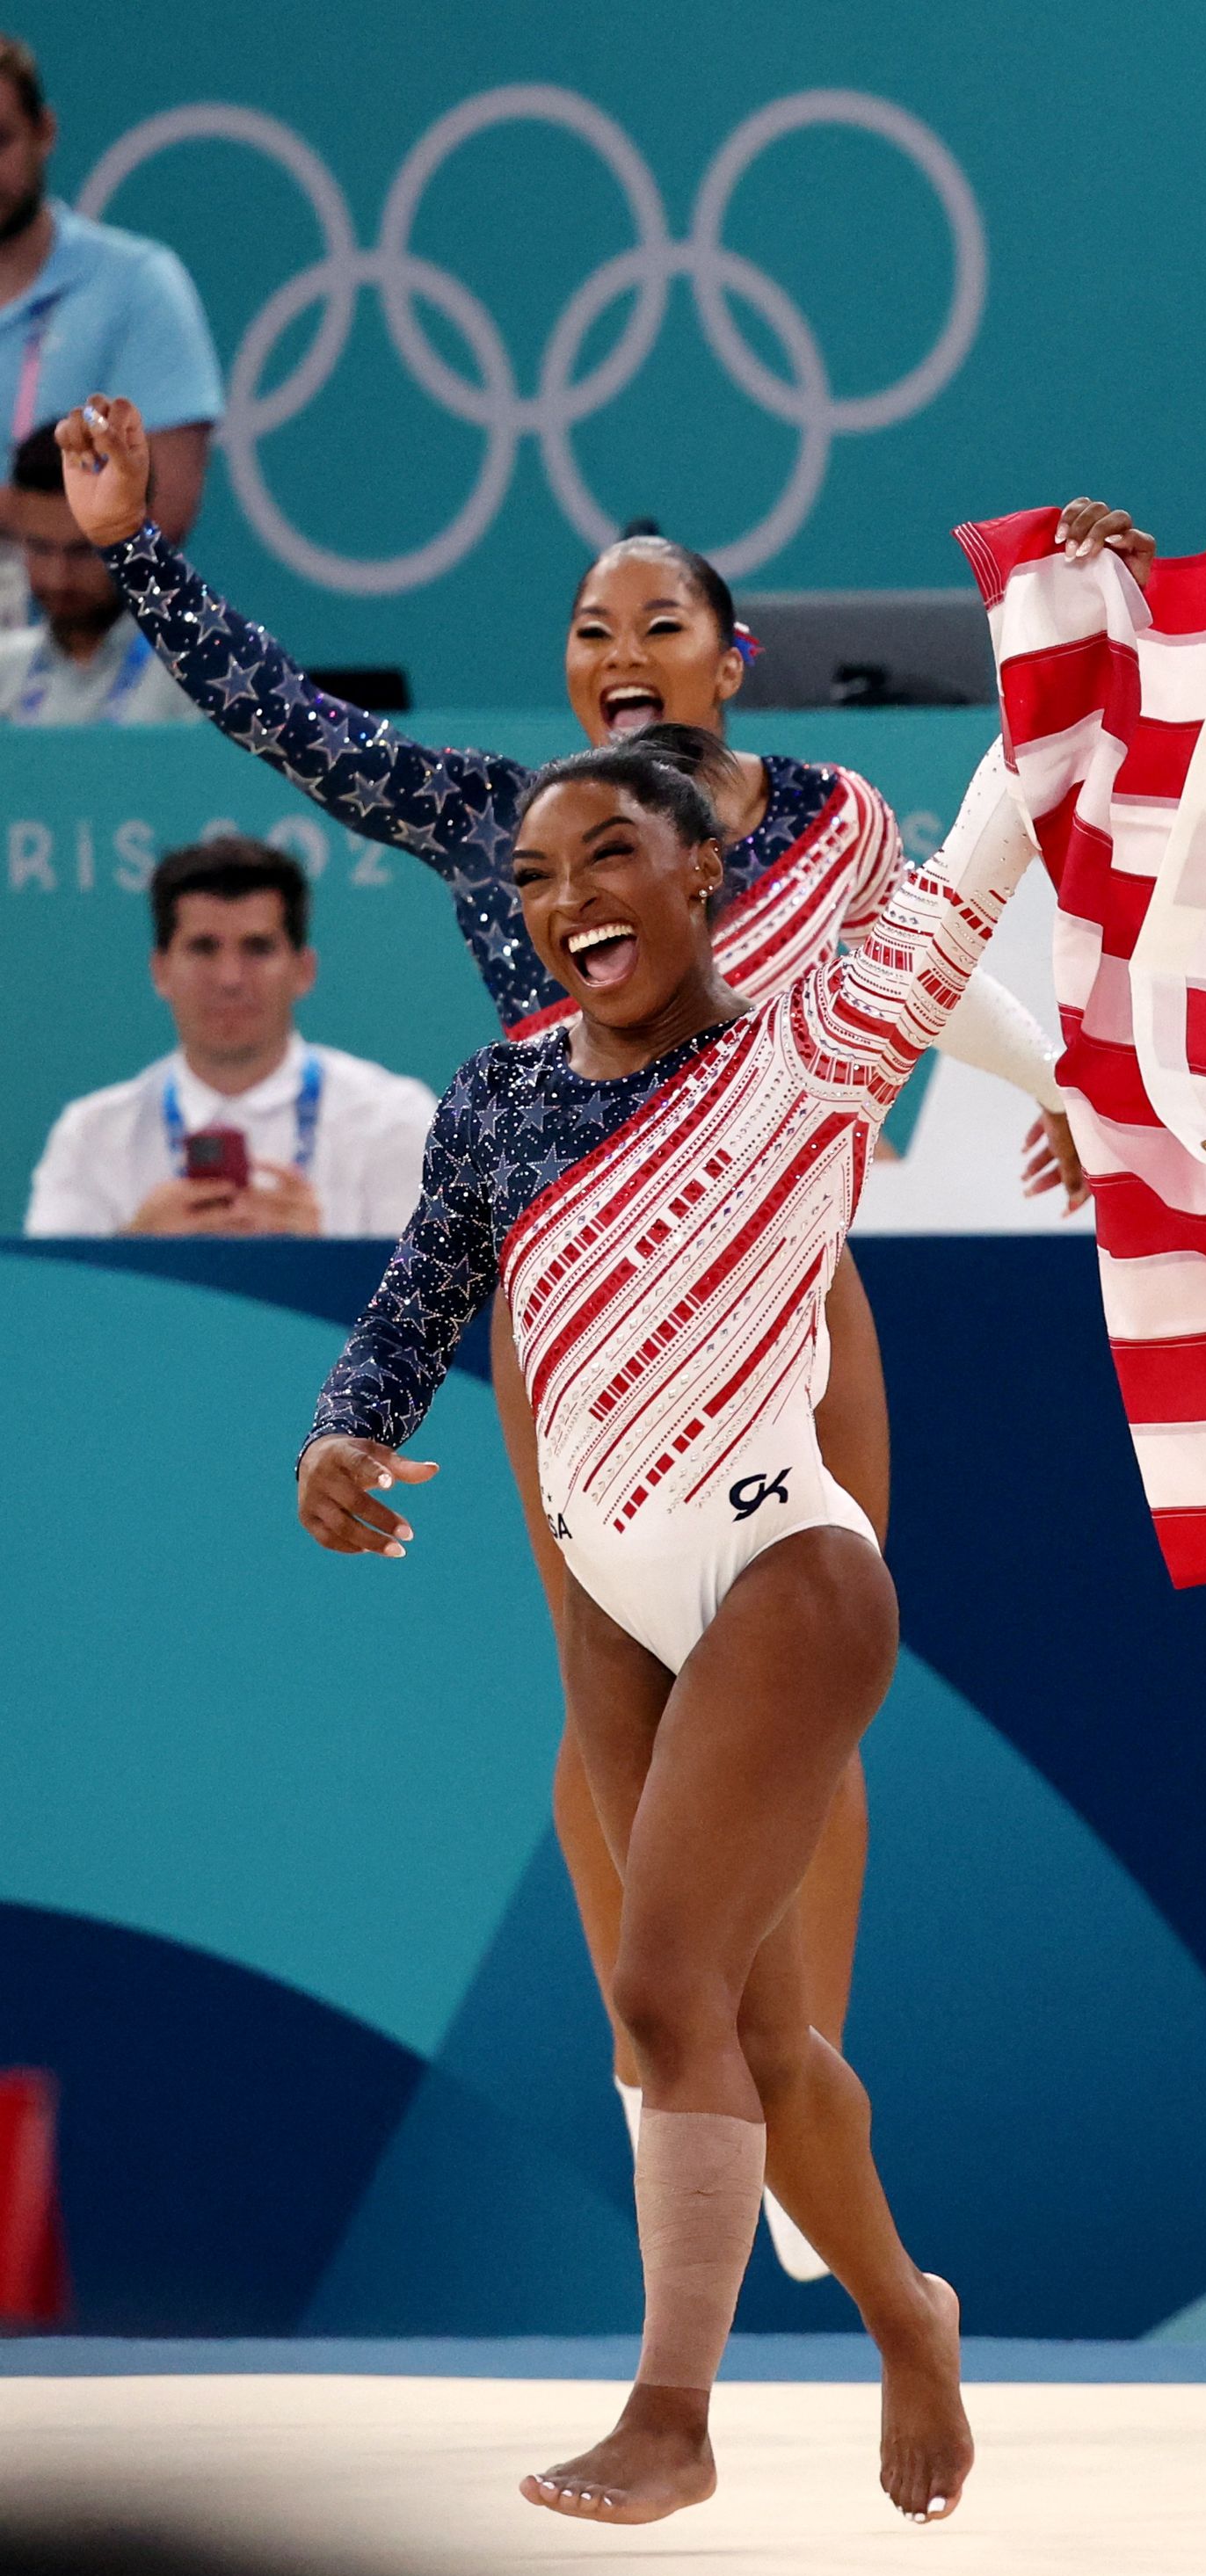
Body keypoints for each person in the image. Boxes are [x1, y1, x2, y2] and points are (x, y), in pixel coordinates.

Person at [58, 391, 1079, 2282]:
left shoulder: (835, 818)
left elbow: (927, 969)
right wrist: (137, 555)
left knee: (806, 1662)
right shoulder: (492, 822)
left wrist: (1074, 1082)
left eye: (658, 625)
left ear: (731, 652)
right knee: (611, 1689)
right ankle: (666, 2046)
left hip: (793, 1292)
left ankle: (798, 2059)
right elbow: (294, 724)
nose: (620, 659)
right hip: (580, 1317)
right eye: (590, 633)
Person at [291, 696, 1060, 2522]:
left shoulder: (811, 1047)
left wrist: (1055, 660)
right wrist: (349, 1424)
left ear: (708, 873)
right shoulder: (499, 1094)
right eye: (538, 876)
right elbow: (423, 1291)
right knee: (763, 2049)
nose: (568, 898)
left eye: (612, 854)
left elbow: (969, 874)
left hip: (783, 1575)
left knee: (658, 1988)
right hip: (612, 1591)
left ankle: (672, 2409)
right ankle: (908, 2316)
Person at [25, 837, 433, 1237]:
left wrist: (323, 1264)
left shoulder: (397, 1122)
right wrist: (135, 1250)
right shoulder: (90, 1137)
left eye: (257, 948)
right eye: (203, 948)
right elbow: (54, 1300)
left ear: (303, 970)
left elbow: (452, 1301)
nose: (230, 979)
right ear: (160, 971)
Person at [0, 34, 218, 632]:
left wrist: (29, 526)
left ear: (45, 132)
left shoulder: (137, 286)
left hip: (83, 665)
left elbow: (165, 507)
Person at [0, 422, 191, 721]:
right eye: (40, 548)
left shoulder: (203, 681)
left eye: (84, 551)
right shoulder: (5, 673)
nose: (57, 577)